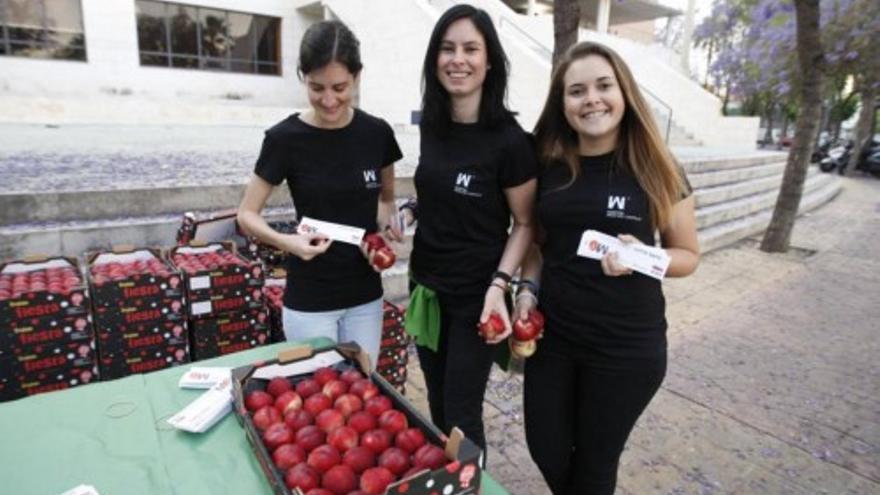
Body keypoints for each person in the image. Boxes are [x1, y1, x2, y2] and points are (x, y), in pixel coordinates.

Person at [515, 41, 700, 494]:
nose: (591, 99)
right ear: (563, 104)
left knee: (595, 467)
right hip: (555, 339)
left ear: (625, 93)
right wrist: (525, 294)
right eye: (577, 91)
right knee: (547, 449)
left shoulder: (656, 167)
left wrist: (643, 257)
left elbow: (688, 256)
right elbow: (537, 246)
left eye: (603, 86)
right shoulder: (549, 167)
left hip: (626, 349)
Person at [402, 4, 537, 456]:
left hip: (478, 298)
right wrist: (408, 213)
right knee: (438, 407)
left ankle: (470, 484)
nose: (457, 59)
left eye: (470, 49)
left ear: (490, 60)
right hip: (426, 288)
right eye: (447, 48)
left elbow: (524, 223)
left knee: (462, 413)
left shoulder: (511, 141)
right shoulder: (433, 126)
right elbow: (438, 190)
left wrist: (501, 284)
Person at [237, 20, 402, 369]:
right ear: (302, 77)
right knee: (314, 403)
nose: (329, 100)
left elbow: (386, 201)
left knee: (362, 391)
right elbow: (246, 215)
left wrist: (384, 234)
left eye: (340, 87)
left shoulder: (377, 133)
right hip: (310, 300)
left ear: (357, 76)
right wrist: (289, 243)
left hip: (365, 297)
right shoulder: (285, 139)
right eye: (316, 87)